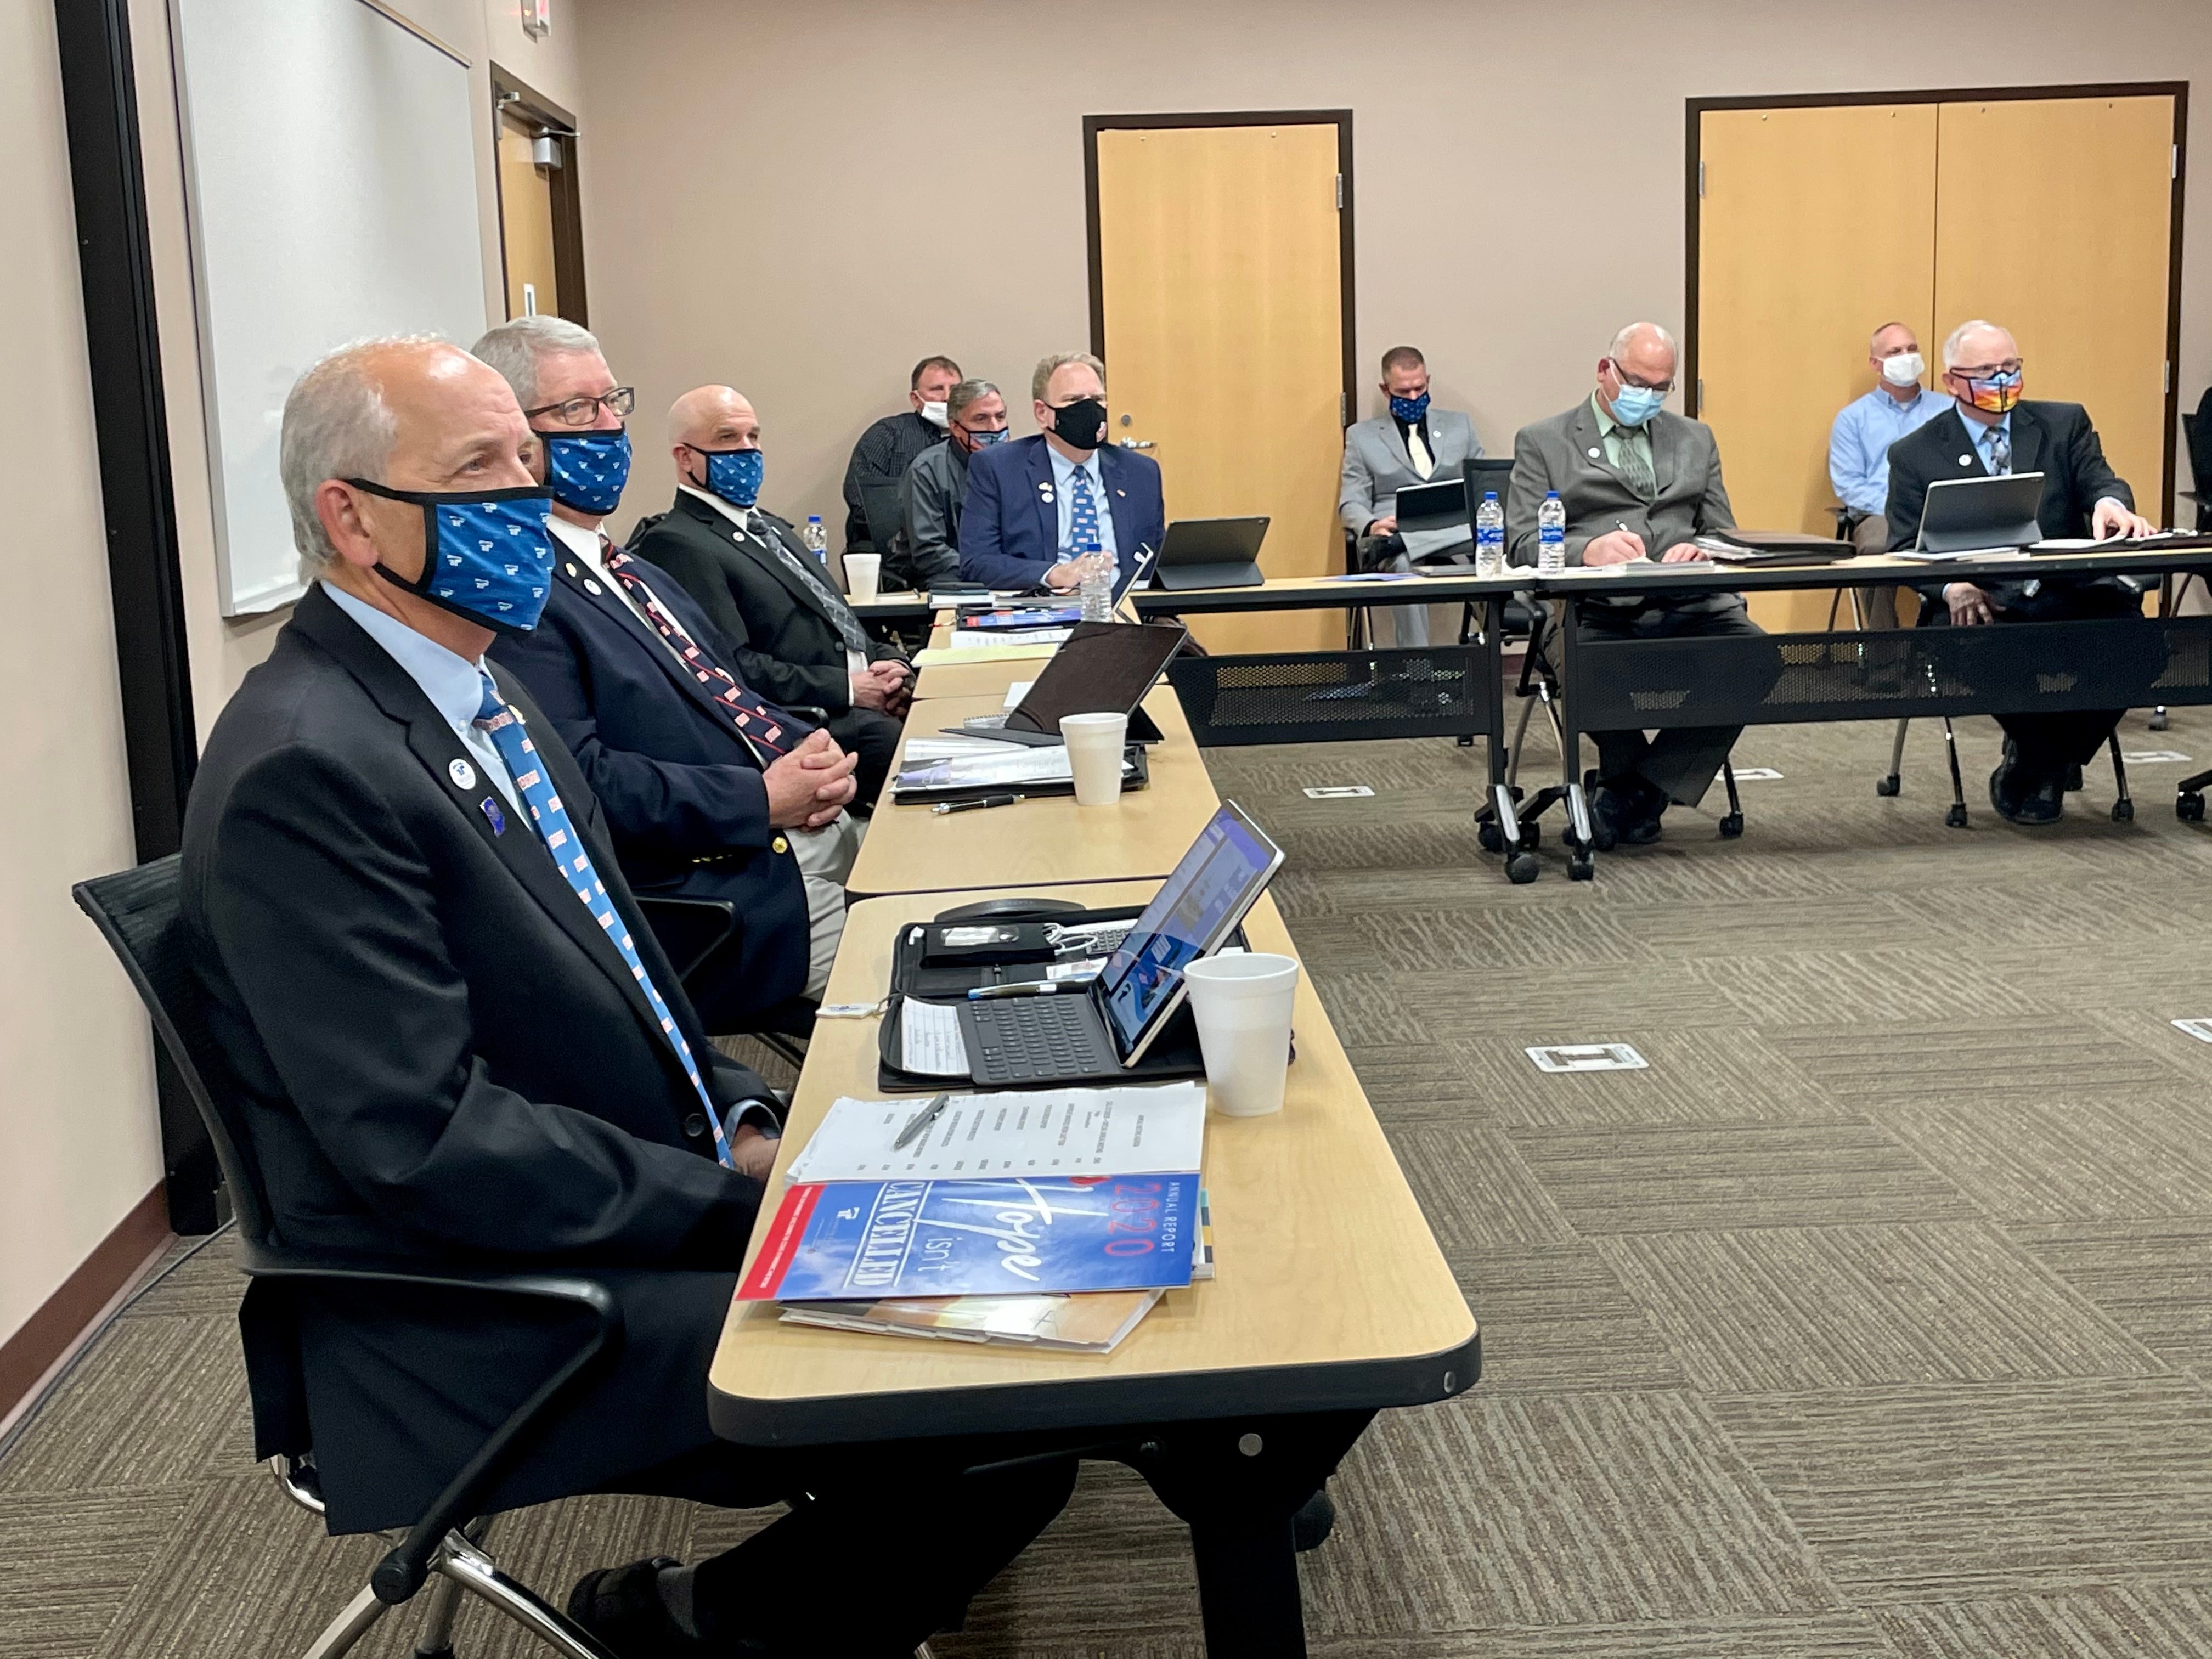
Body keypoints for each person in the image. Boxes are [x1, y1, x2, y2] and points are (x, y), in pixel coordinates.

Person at [180, 335, 1074, 1657]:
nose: (524, 499)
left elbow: (625, 970)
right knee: (994, 1396)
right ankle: (694, 1630)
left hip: (608, 1193)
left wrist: (747, 1119)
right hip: (475, 1298)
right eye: (479, 470)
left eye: (527, 464)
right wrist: (740, 1195)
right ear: (351, 519)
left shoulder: (479, 699)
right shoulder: (308, 768)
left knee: (1002, 1251)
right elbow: (426, 1146)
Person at [471, 318, 855, 1014]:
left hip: (782, 831)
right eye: (577, 410)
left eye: (613, 402)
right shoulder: (522, 597)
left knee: (956, 876)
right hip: (705, 900)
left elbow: (729, 690)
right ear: (516, 441)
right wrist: (763, 799)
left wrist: (810, 751)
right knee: (915, 952)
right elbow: (579, 785)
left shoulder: (632, 570)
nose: (609, 428)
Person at [1886, 319, 2158, 825]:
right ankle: (2049, 766)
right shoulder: (1916, 453)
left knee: (2144, 645)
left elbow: (2102, 480)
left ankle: (2036, 764)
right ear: (1951, 381)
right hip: (1983, 604)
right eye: (1987, 372)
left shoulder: (2063, 424)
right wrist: (1952, 587)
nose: (2003, 382)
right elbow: (1902, 549)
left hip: (2066, 595)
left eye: (2011, 369)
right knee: (1981, 647)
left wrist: (2110, 504)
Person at [1507, 321, 1767, 844]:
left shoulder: (1695, 437)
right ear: (1606, 371)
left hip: (1689, 604)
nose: (1646, 397)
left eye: (1660, 387)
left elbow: (1722, 532)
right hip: (1595, 610)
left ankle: (1639, 789)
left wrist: (1703, 549)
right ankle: (1629, 786)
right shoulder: (1544, 441)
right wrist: (1587, 550)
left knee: (1756, 657)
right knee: (1591, 667)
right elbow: (1520, 543)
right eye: (1637, 382)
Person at [631, 385, 914, 810]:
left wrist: (889, 663)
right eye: (727, 439)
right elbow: (732, 667)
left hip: (864, 695)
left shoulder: (772, 528)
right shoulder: (676, 543)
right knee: (905, 748)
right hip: (811, 718)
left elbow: (838, 618)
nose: (746, 450)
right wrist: (851, 689)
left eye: (753, 437)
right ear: (684, 457)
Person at [957, 351, 1166, 591]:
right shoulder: (999, 469)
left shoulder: (1141, 472)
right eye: (1075, 400)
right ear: (1042, 413)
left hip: (1125, 611)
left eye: (1097, 399)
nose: (1089, 409)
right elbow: (977, 563)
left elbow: (1155, 563)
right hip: (1042, 611)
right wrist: (1054, 574)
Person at [1339, 345, 1486, 646]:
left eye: (1420, 388)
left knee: (1498, 548)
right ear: (1385, 389)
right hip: (1396, 532)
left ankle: (1489, 657)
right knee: (1403, 565)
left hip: (1454, 530)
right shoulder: (1361, 436)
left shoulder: (1461, 426)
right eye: (1403, 391)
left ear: (1428, 380)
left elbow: (1482, 484)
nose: (1414, 398)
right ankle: (1418, 670)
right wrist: (1371, 526)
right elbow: (1351, 501)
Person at [1827, 321, 1949, 627]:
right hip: (1881, 514)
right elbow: (1849, 485)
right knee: (1876, 551)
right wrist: (1900, 508)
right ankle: (1886, 661)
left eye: (1912, 349)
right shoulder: (1853, 419)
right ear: (1875, 363)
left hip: (1943, 510)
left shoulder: (1949, 410)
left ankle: (1958, 649)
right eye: (1895, 351)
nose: (1906, 357)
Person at [840, 353, 962, 552]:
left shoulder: (973, 441)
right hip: (891, 550)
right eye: (937, 389)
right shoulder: (888, 434)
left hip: (957, 551)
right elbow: (858, 496)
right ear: (916, 398)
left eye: (955, 390)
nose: (947, 397)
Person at [896, 376, 1007, 591]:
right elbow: (929, 552)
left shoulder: (1019, 466)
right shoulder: (926, 470)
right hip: (952, 577)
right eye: (981, 419)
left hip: (1009, 577)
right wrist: (989, 569)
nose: (994, 428)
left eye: (1000, 417)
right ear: (955, 427)